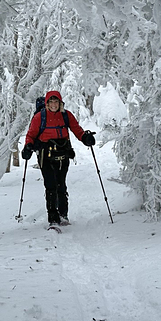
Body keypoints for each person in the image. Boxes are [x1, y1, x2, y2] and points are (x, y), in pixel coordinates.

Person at [21, 90, 95, 226]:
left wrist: (86, 138)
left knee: (61, 184)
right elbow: (31, 135)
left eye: (56, 102)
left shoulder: (66, 115)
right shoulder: (39, 117)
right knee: (50, 185)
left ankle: (63, 215)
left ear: (60, 103)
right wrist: (28, 147)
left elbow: (77, 130)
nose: (53, 104)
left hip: (63, 154)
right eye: (51, 102)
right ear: (47, 103)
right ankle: (53, 218)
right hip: (45, 156)